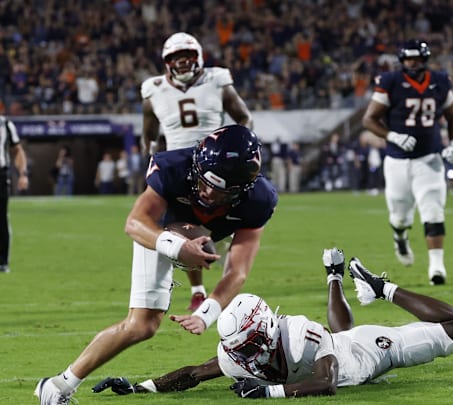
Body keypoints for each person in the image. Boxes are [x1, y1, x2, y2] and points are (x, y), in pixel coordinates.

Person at [35, 125, 278, 405]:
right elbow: (134, 222)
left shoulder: (259, 200)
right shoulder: (174, 166)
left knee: (206, 249)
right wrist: (178, 247)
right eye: (203, 181)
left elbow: (238, 270)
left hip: (208, 240)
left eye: (218, 189)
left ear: (241, 189)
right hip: (158, 233)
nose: (206, 192)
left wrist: (205, 315)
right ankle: (57, 386)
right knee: (142, 326)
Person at [90, 247, 453, 398]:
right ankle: (335, 277)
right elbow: (193, 373)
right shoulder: (237, 352)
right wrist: (139, 388)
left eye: (246, 344)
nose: (242, 355)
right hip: (339, 343)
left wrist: (270, 394)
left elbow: (326, 383)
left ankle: (383, 287)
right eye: (237, 347)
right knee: (339, 333)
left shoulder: (297, 333)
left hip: (367, 355)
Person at [141, 32, 253, 311]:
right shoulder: (153, 89)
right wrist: (153, 160)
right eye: (175, 58)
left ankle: (225, 287)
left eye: (186, 56)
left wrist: (241, 146)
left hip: (219, 166)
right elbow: (149, 132)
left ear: (198, 57)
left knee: (227, 232)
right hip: (181, 170)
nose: (181, 62)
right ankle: (199, 291)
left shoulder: (217, 80)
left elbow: (243, 115)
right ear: (167, 62)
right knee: (185, 229)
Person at [362, 39, 453, 285]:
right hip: (397, 161)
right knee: (400, 216)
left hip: (430, 158)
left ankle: (437, 268)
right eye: (408, 59)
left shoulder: (439, 81)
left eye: (416, 59)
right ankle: (400, 237)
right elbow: (369, 119)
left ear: (425, 59)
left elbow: (452, 117)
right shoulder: (390, 81)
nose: (412, 63)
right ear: (402, 61)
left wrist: (452, 144)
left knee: (433, 210)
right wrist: (392, 135)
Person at [0, 116, 29, 273]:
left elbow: (17, 150)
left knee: (2, 217)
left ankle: (2, 261)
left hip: (1, 174)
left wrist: (23, 174)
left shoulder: (5, 124)